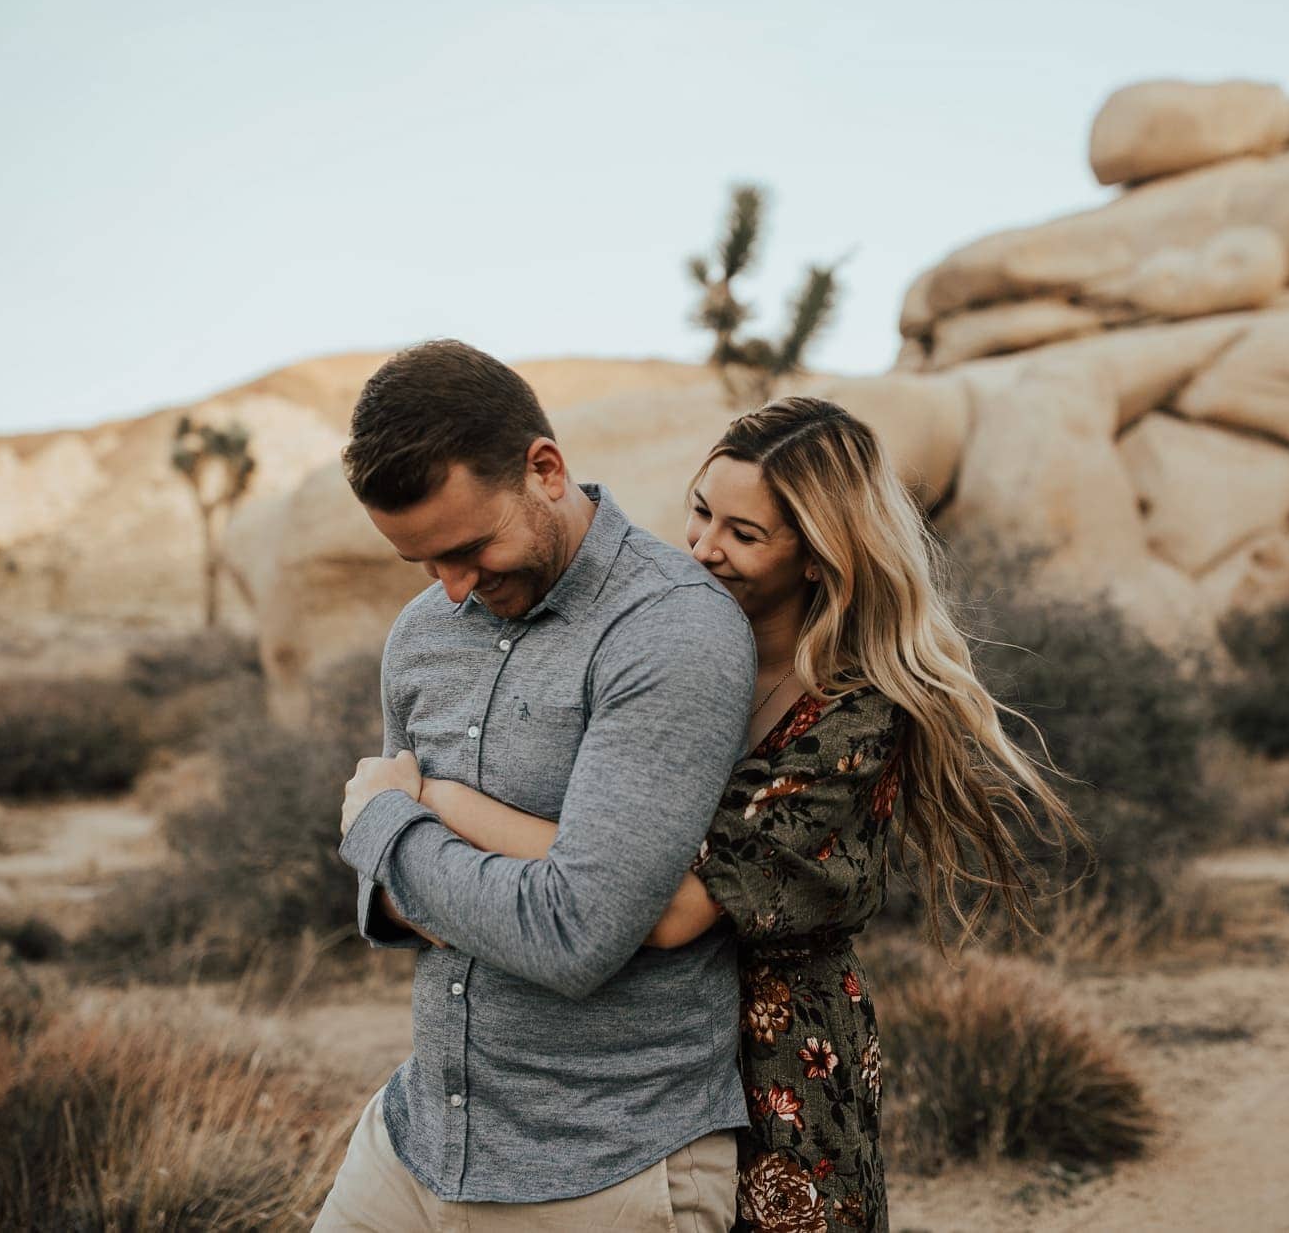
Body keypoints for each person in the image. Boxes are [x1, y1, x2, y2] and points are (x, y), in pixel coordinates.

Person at [403, 396, 1080, 1231]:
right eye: (699, 511)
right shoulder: (659, 650)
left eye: (744, 534)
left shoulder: (856, 713)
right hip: (637, 1059)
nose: (702, 547)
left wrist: (439, 804)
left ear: (818, 555)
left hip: (780, 1057)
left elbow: (669, 907)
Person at [317, 339, 755, 1232]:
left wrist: (391, 831)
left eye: (472, 548)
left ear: (545, 469)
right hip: (417, 1143)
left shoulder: (669, 630)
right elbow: (390, 905)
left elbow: (574, 934)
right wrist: (427, 865)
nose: (453, 588)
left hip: (607, 1168)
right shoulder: (421, 635)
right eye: (424, 564)